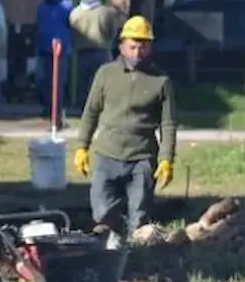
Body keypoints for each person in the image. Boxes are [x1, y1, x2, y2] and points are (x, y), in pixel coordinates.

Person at [73, 15, 179, 246]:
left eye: (143, 46)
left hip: (141, 156)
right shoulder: (105, 74)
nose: (137, 52)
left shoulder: (161, 81)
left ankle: (136, 255)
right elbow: (91, 112)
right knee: (102, 211)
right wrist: (82, 146)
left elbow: (168, 124)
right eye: (132, 46)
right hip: (107, 153)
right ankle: (112, 240)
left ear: (150, 47)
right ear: (121, 45)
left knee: (139, 216)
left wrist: (166, 160)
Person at [68, 0, 122, 110]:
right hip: (102, 52)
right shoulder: (106, 12)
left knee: (83, 84)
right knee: (103, 83)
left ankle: (83, 110)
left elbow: (72, 33)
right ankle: (102, 108)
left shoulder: (75, 13)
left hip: (81, 53)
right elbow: (113, 33)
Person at [34, 0, 73, 127]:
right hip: (45, 49)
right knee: (44, 81)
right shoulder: (42, 7)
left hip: (60, 50)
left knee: (58, 82)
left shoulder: (66, 6)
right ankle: (48, 107)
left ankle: (57, 112)